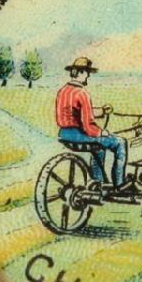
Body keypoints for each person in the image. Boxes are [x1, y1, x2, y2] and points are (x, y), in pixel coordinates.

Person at [55, 56, 127, 188]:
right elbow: (88, 125)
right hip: (79, 135)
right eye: (87, 73)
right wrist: (102, 132)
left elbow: (77, 113)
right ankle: (120, 183)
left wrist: (102, 111)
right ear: (81, 72)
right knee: (120, 142)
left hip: (64, 134)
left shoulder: (62, 91)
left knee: (99, 149)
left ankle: (98, 182)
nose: (88, 76)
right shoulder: (82, 94)